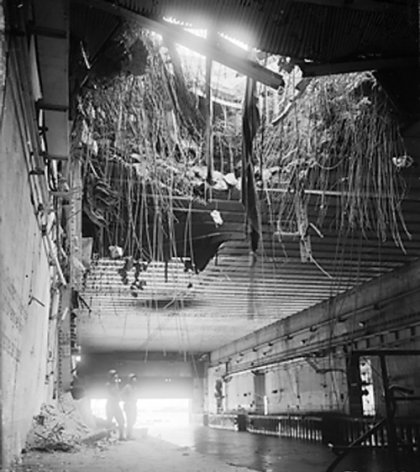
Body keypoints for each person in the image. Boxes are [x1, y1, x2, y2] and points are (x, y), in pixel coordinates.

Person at [105, 369, 125, 440]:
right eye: (114, 377)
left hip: (115, 404)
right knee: (109, 421)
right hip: (111, 405)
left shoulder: (115, 384)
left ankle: (121, 436)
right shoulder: (109, 385)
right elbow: (113, 393)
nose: (116, 378)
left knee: (121, 421)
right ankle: (108, 436)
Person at [122, 373, 138, 439]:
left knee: (133, 419)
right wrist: (127, 401)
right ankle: (129, 435)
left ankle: (129, 434)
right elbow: (122, 395)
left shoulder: (134, 387)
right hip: (129, 405)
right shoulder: (127, 387)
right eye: (133, 378)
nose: (135, 380)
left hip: (133, 405)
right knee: (130, 420)